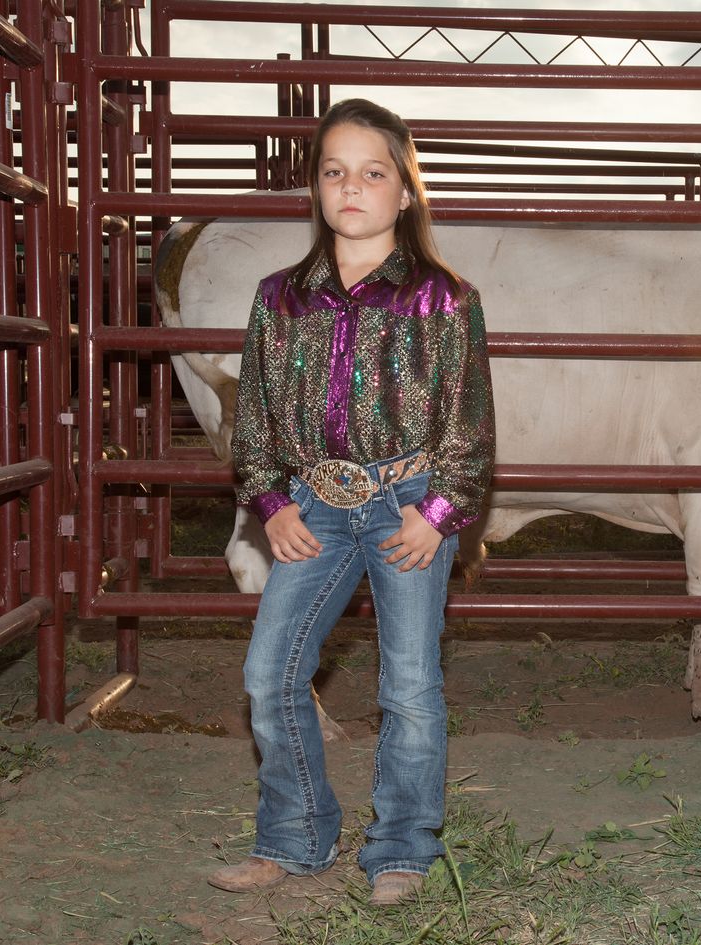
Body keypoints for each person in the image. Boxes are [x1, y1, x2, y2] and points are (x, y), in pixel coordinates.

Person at [208, 98, 494, 907]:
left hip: (407, 505)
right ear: (316, 188)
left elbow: (467, 423)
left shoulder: (445, 300)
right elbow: (256, 416)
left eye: (373, 173)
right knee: (270, 673)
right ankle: (297, 836)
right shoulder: (280, 299)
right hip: (313, 507)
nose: (352, 188)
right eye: (335, 171)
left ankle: (401, 846)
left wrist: (437, 513)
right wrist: (271, 503)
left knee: (408, 685)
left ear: (405, 191)